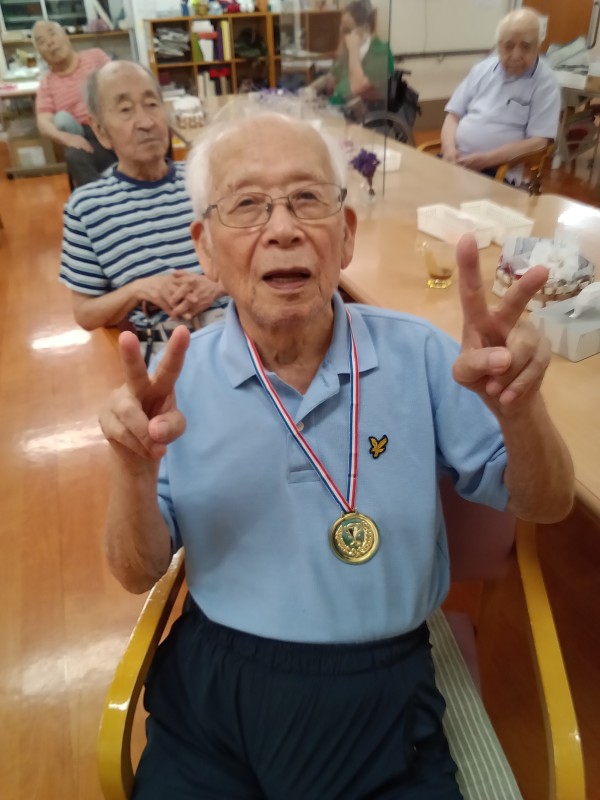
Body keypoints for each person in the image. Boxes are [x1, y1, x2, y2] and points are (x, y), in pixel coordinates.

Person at [99, 110, 574, 798]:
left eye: (307, 198)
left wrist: (522, 413)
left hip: (381, 689)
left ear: (345, 235)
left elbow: (546, 503)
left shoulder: (421, 353)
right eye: (247, 204)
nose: (283, 228)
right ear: (205, 248)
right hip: (216, 691)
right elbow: (137, 571)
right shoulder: (173, 381)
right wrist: (132, 473)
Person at [60, 61, 228, 356]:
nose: (146, 122)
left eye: (152, 104)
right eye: (125, 110)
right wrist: (138, 289)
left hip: (241, 327)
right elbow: (85, 313)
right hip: (170, 349)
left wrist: (217, 286)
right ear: (100, 130)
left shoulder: (207, 178)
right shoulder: (87, 207)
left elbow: (259, 259)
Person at [441, 7, 561, 184]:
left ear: (538, 46)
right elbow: (452, 116)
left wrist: (486, 160)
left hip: (499, 171)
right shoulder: (481, 69)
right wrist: (449, 151)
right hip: (456, 161)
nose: (516, 55)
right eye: (509, 46)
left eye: (525, 46)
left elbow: (539, 142)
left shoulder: (546, 83)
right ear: (498, 46)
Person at [33, 20, 117, 187]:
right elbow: (43, 122)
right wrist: (66, 138)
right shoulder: (47, 84)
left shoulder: (96, 57)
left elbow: (120, 82)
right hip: (88, 139)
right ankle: (99, 199)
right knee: (73, 154)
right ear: (40, 54)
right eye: (41, 42)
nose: (49, 42)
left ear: (65, 36)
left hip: (113, 125)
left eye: (52, 34)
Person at [311, 0, 394, 117]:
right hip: (335, 110)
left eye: (347, 30)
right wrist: (308, 91)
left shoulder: (381, 53)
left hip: (358, 117)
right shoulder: (351, 50)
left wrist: (353, 50)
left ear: (365, 28)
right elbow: (332, 77)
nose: (343, 36)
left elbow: (356, 87)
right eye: (341, 30)